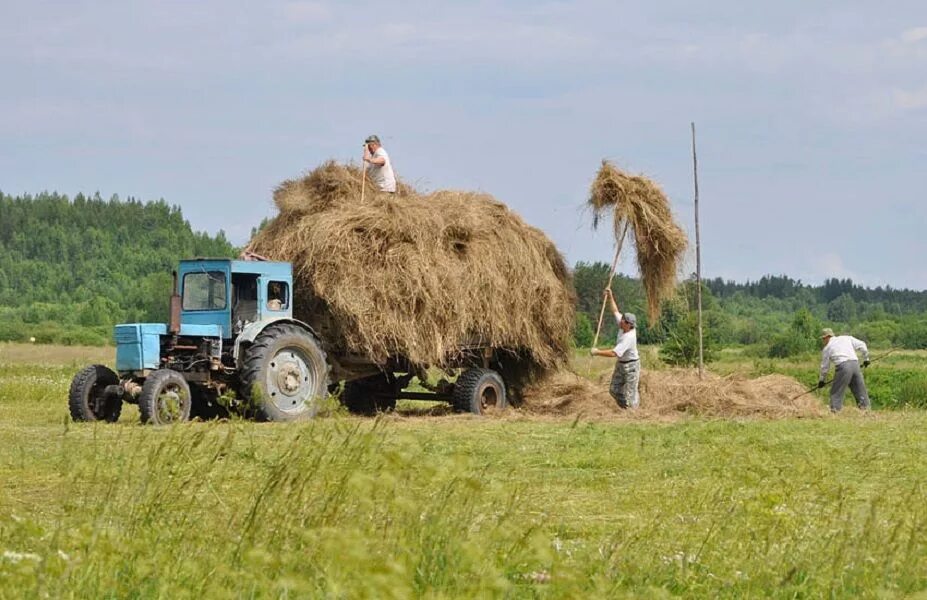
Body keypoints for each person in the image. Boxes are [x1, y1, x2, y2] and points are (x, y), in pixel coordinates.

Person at [590, 289, 640, 409]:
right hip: (621, 364)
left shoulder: (629, 337)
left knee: (631, 394)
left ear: (629, 325)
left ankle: (634, 414)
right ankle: (625, 408)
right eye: (623, 320)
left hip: (631, 366)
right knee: (614, 390)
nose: (622, 321)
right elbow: (615, 310)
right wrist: (611, 296)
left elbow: (614, 353)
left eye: (625, 321)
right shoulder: (622, 325)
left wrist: (597, 352)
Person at [818, 327, 871, 412]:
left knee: (836, 392)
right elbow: (863, 345)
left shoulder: (827, 348)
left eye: (823, 339)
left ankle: (835, 411)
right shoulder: (846, 338)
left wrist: (821, 380)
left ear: (826, 337)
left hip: (843, 367)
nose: (823, 341)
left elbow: (825, 367)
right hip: (855, 364)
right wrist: (866, 359)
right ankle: (866, 410)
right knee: (860, 389)